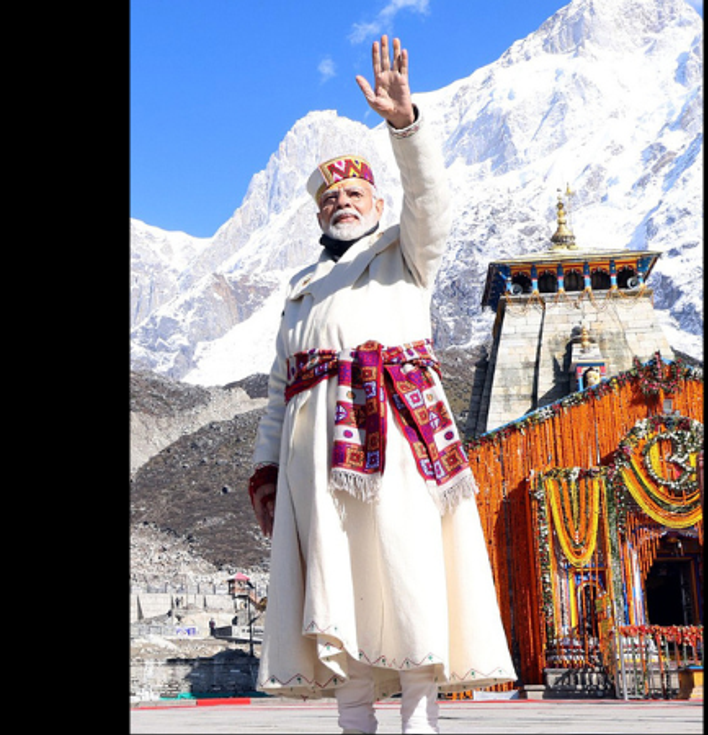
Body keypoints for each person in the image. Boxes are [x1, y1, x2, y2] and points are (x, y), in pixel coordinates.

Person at [248, 36, 516, 734]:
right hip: (316, 464)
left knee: (405, 563)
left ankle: (421, 719)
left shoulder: (406, 253)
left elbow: (430, 197)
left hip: (396, 434)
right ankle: (355, 719)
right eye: (330, 197)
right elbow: (280, 390)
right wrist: (267, 467)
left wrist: (405, 126)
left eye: (354, 191)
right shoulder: (300, 294)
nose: (342, 201)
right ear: (317, 215)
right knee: (337, 582)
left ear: (376, 198)